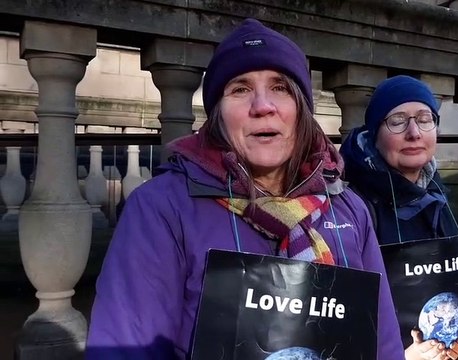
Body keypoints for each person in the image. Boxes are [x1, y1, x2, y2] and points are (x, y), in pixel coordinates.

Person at [86, 19, 403, 359]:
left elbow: (382, 343)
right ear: (217, 115)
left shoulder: (348, 209)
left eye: (281, 87)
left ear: (302, 110)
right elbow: (126, 346)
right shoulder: (161, 210)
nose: (262, 105)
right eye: (240, 89)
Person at [340, 75, 458, 360]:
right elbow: (342, 316)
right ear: (375, 133)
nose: (414, 132)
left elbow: (457, 276)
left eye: (424, 119)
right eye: (397, 120)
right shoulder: (355, 208)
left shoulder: (434, 191)